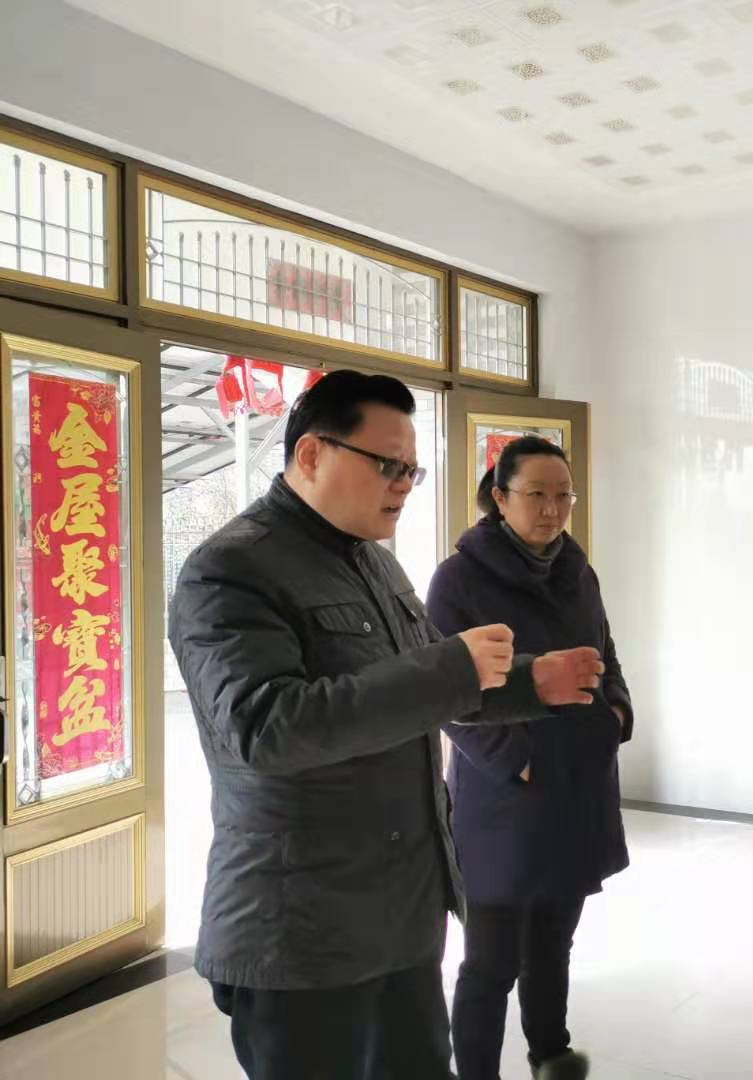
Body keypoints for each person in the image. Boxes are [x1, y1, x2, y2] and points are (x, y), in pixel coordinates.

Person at [167, 371, 605, 1080]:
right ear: (312, 454)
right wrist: (454, 668)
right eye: (388, 465)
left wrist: (532, 682)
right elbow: (266, 728)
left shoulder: (373, 561)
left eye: (412, 470)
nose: (404, 485)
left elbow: (430, 689)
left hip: (402, 917)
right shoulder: (230, 571)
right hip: (302, 931)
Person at [426, 436, 633, 1080]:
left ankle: (550, 1054)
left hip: (578, 781)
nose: (552, 509)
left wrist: (618, 714)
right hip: (504, 798)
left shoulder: (577, 569)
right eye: (536, 494)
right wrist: (515, 761)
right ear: (499, 496)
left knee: (554, 943)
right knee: (490, 962)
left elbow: (606, 651)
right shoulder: (458, 579)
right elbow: (444, 692)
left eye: (563, 495)